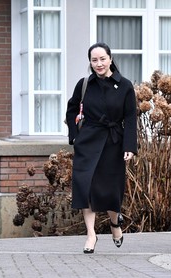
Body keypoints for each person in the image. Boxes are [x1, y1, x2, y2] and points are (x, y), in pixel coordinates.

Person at [66, 42, 137, 253]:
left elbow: (131, 118)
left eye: (102, 59)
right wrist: (75, 137)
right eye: (94, 60)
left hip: (113, 143)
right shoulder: (84, 84)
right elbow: (71, 110)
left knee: (109, 190)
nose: (98, 64)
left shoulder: (124, 85)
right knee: (84, 187)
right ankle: (91, 235)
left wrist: (129, 146)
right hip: (87, 142)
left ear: (110, 59)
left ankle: (115, 224)